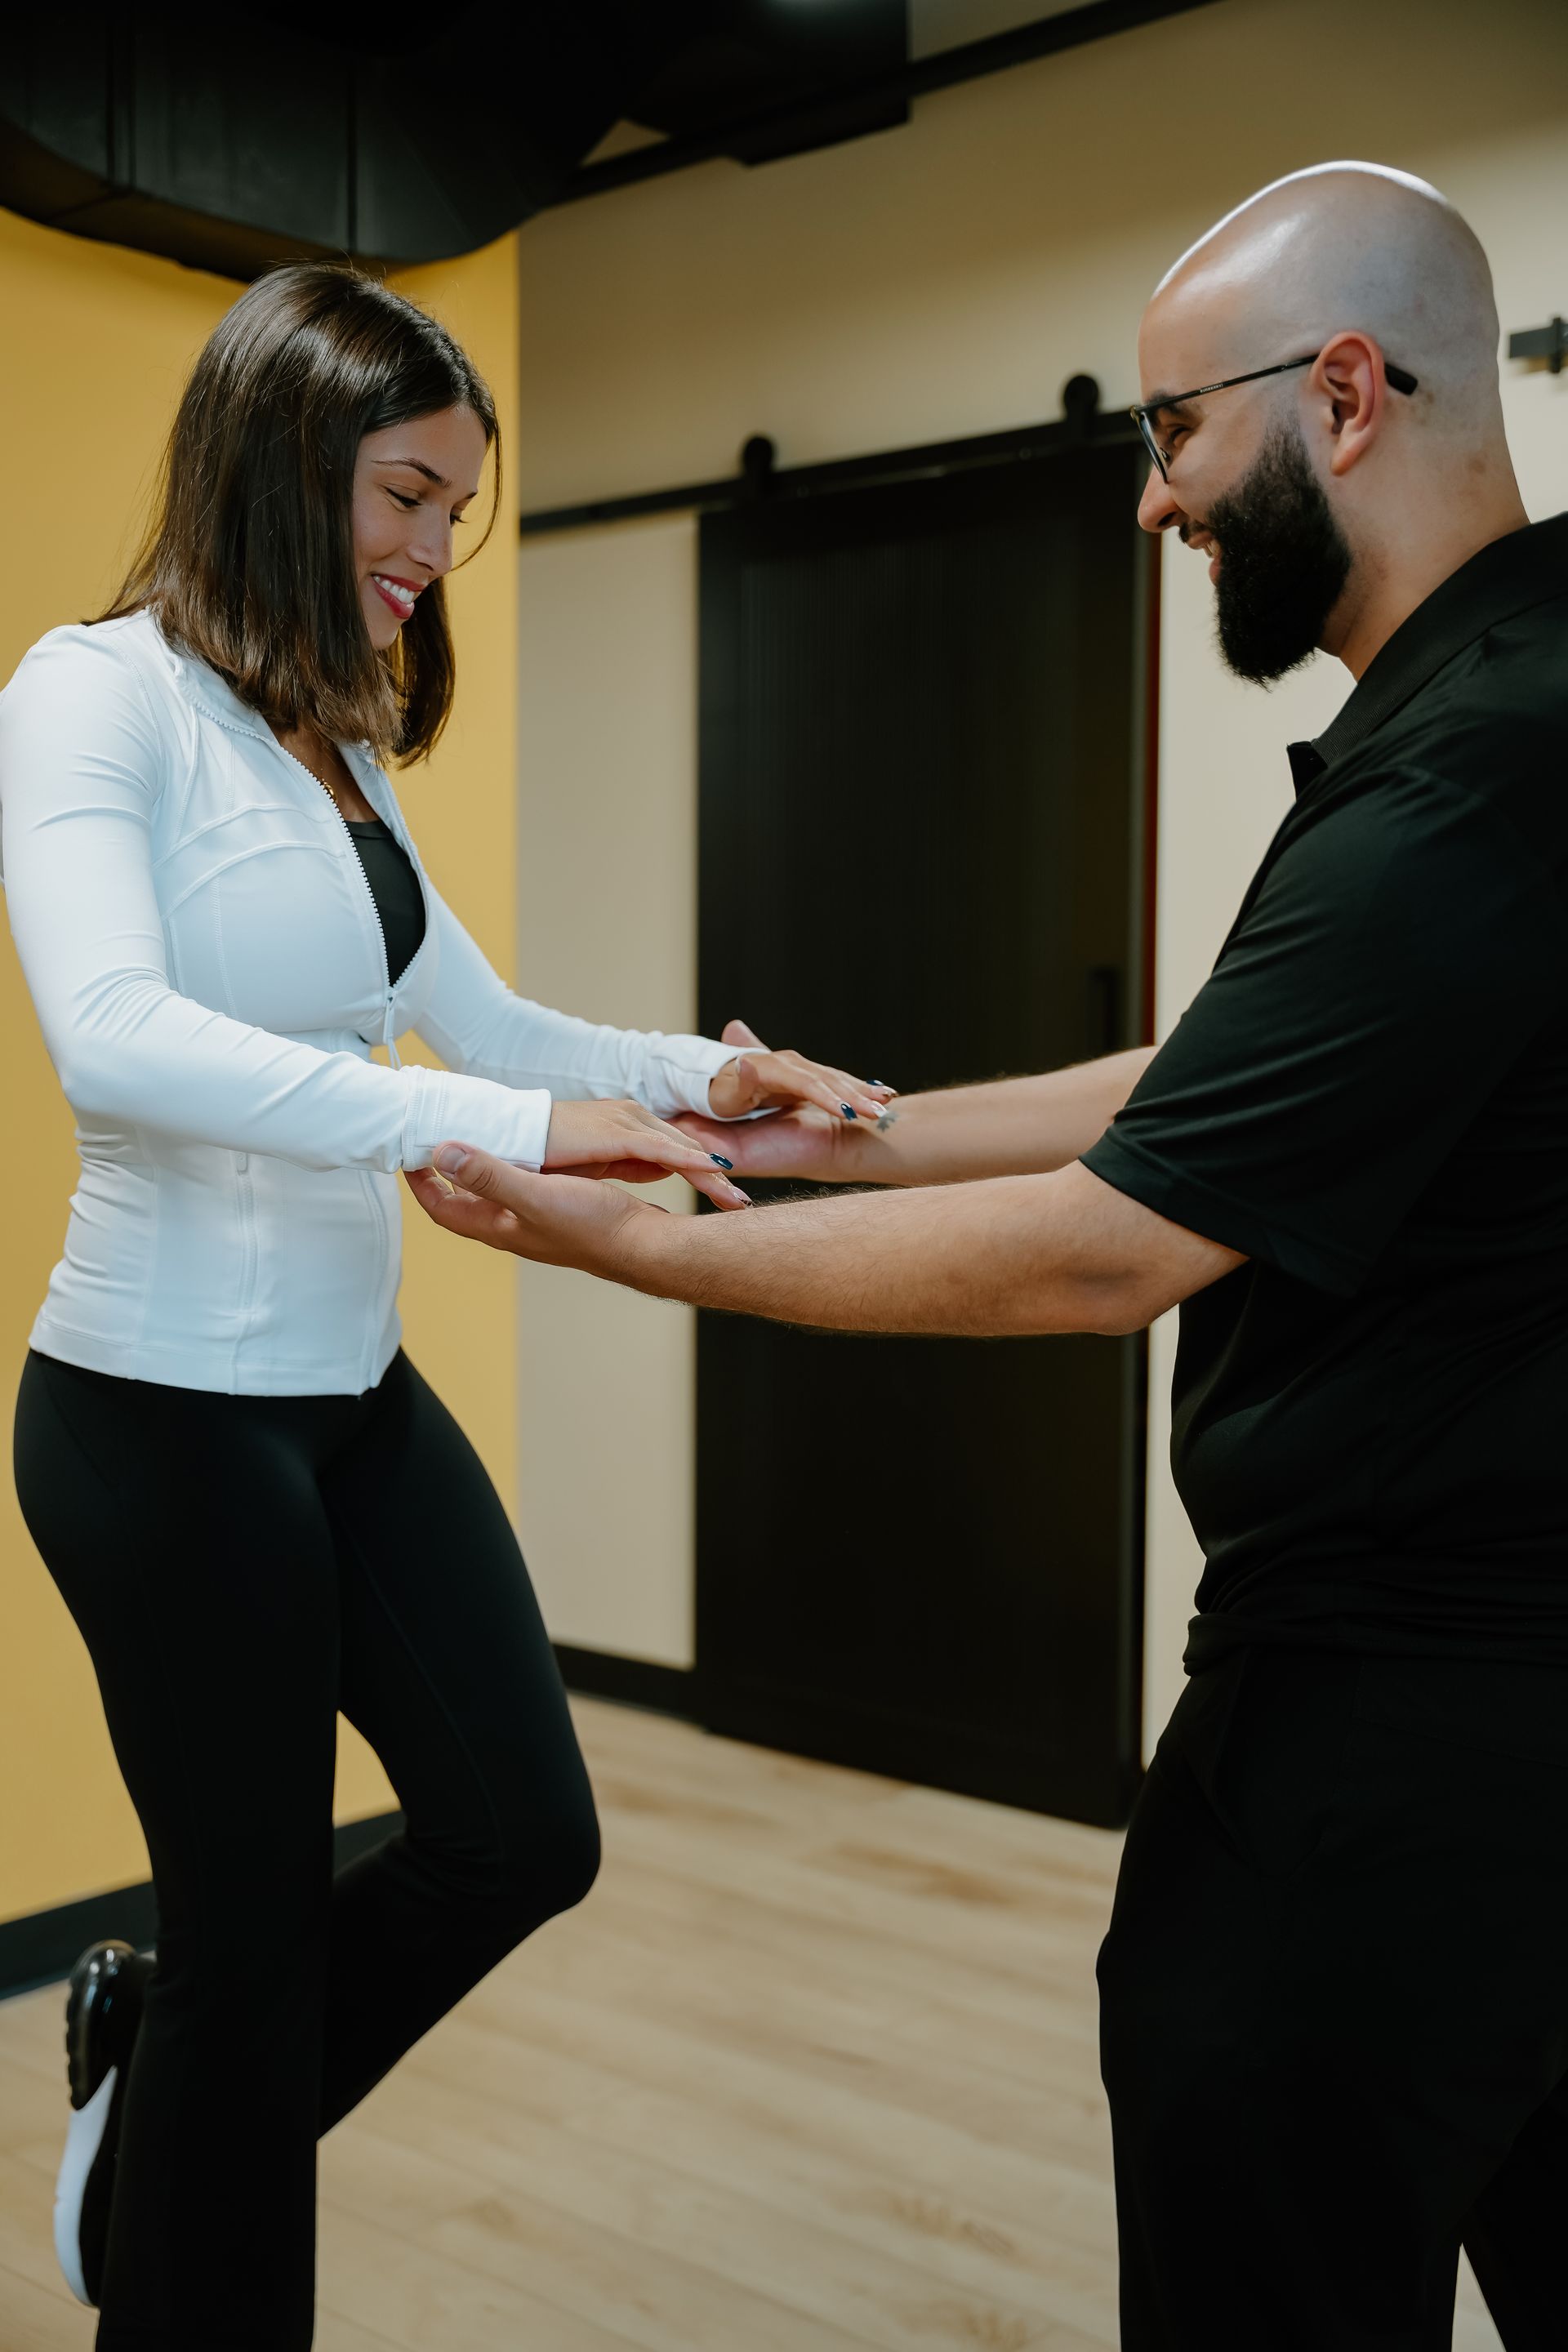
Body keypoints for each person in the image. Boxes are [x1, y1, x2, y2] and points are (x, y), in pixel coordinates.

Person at [406, 163, 1568, 2350]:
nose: (1151, 504)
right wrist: (852, 1128)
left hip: (1388, 1769)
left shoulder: (1466, 781)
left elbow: (1105, 1257)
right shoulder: (1512, 700)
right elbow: (1227, 1076)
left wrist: (636, 1249)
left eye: (1168, 438)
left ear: (1341, 396)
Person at [0, 261, 888, 2351]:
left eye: (454, 510)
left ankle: (160, 2103)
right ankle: (189, 2167)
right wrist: (503, 1123)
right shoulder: (91, 693)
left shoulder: (334, 742)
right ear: (285, 461)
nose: (427, 550)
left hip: (346, 1394)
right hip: (159, 1412)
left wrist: (693, 1077)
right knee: (249, 1941)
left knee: (519, 1831)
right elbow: (111, 1039)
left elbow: (476, 1013)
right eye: (406, 494)